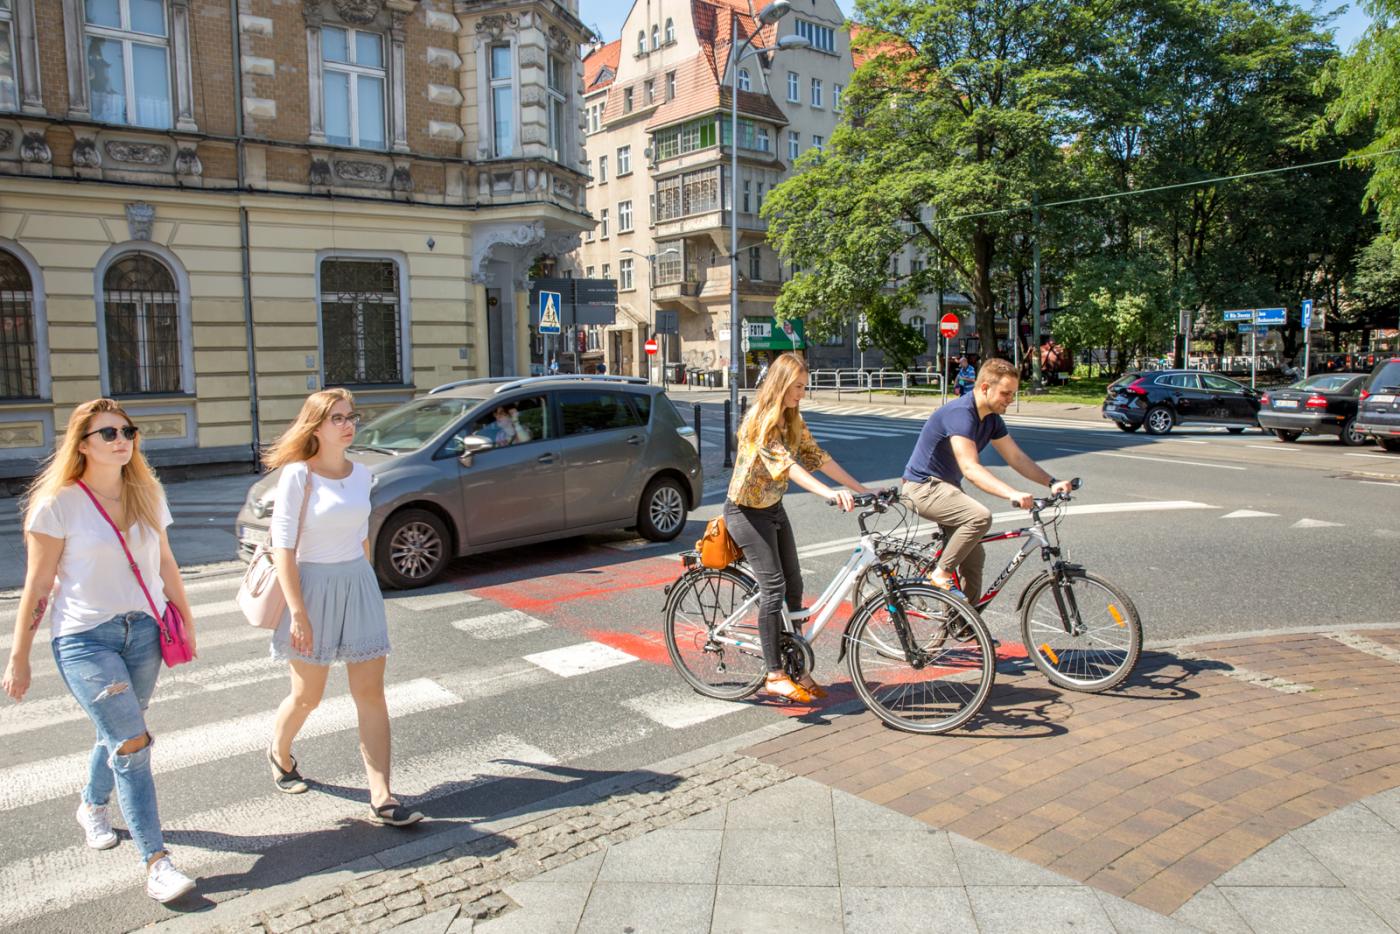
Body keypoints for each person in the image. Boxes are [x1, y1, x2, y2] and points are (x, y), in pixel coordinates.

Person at [3, 399, 198, 903]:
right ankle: (157, 862)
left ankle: (92, 804)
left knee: (118, 731)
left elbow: (166, 561)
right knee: (132, 743)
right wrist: (18, 655)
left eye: (127, 431)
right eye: (108, 434)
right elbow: (38, 585)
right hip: (85, 638)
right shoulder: (57, 503)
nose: (121, 440)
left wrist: (186, 620)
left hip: (146, 632)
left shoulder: (147, 493)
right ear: (82, 444)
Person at [264, 389, 422, 827]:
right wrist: (297, 611)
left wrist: (369, 580)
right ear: (315, 426)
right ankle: (279, 753)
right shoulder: (298, 475)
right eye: (337, 418)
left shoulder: (361, 474)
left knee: (370, 694)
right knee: (307, 696)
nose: (348, 424)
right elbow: (283, 547)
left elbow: (362, 533)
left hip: (357, 583)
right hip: (311, 588)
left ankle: (382, 795)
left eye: (351, 416)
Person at [725, 353, 873, 703]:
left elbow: (816, 456)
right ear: (780, 384)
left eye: (804, 387)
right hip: (745, 512)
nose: (802, 394)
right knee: (773, 587)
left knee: (795, 584)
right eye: (797, 387)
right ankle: (774, 674)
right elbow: (788, 467)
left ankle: (795, 667)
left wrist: (861, 489)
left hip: (772, 508)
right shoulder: (761, 419)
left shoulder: (793, 418)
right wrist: (828, 494)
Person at [903, 358, 1074, 603]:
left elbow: (1016, 457)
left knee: (973, 560)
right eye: (1005, 393)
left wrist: (1051, 481)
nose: (1010, 399)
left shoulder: (992, 419)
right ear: (984, 387)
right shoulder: (961, 414)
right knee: (979, 517)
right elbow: (970, 468)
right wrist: (1012, 493)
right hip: (922, 487)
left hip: (947, 489)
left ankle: (963, 628)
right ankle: (939, 574)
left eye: (1013, 394)